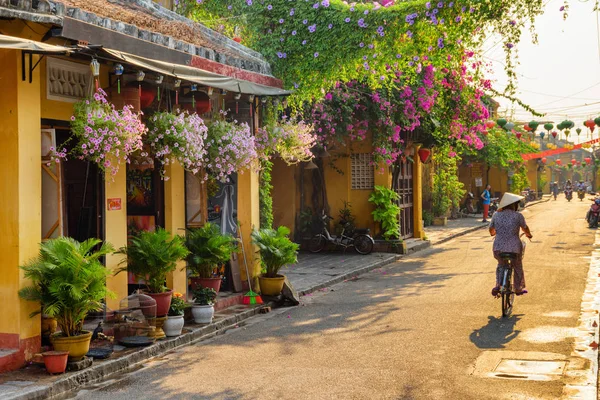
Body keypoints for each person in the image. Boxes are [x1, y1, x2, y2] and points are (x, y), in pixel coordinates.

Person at [489, 192, 532, 297]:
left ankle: (498, 285)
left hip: (498, 248)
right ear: (515, 205)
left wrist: (496, 232)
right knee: (517, 265)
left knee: (501, 264)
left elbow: (491, 231)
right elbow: (525, 228)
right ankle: (518, 288)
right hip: (514, 249)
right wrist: (529, 235)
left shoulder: (496, 215)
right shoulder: (518, 216)